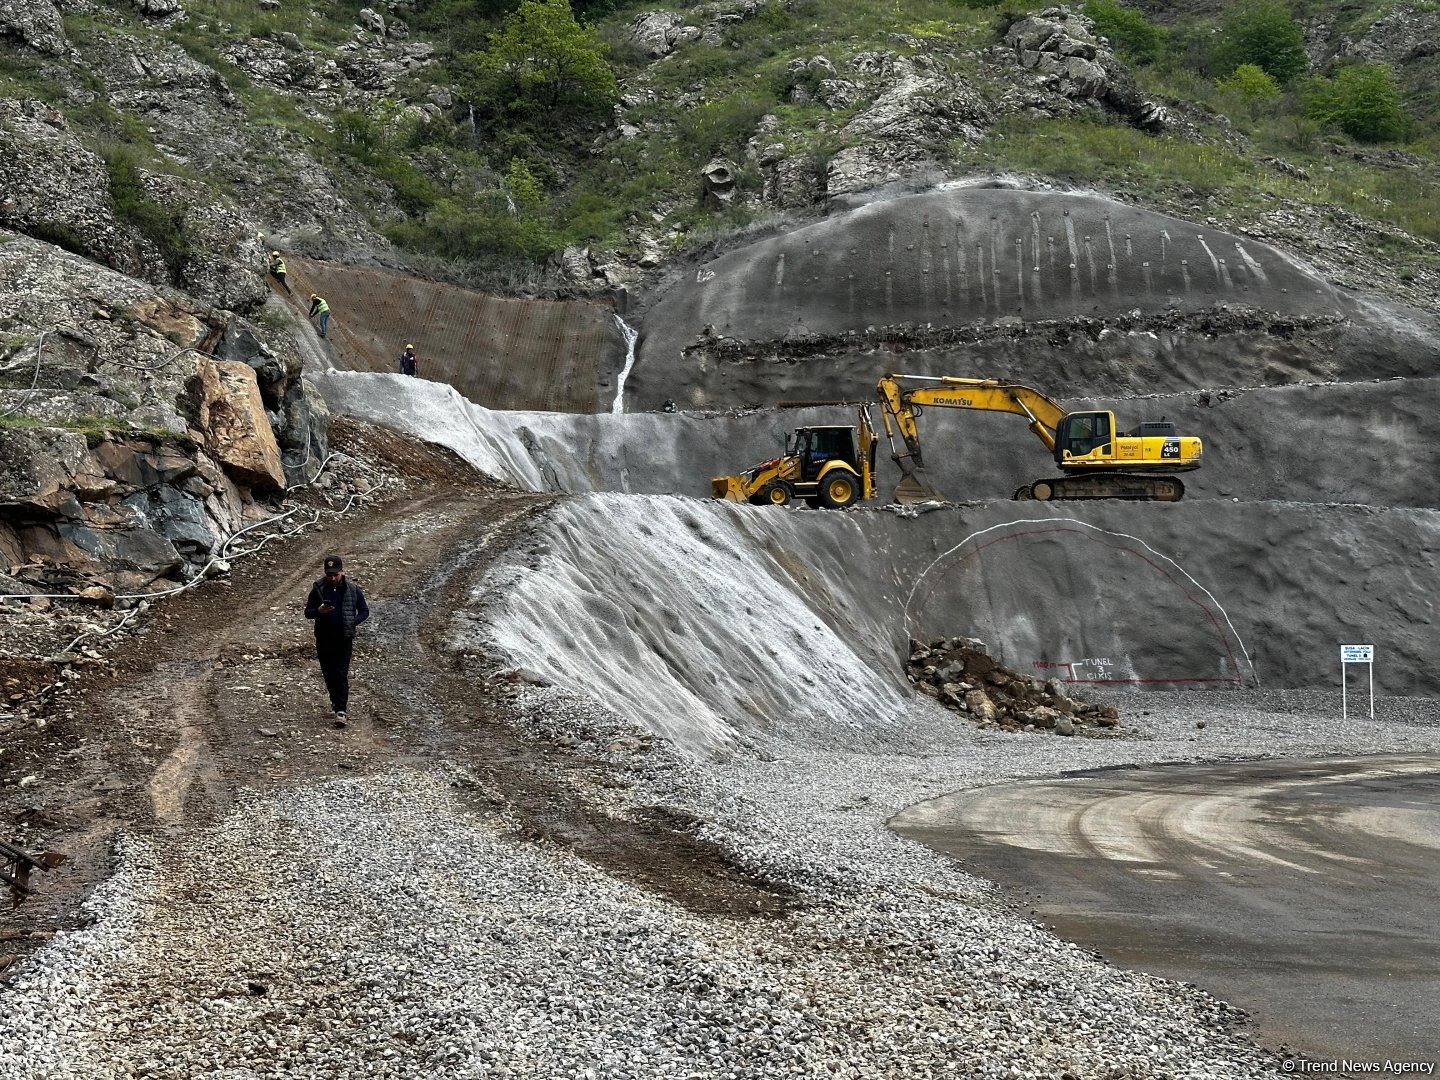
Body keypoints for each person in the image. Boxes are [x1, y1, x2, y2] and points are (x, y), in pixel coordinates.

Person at [303, 554, 369, 720]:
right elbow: (308, 613)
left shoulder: (353, 590)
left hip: (344, 638)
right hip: (324, 638)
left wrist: (352, 622)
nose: (332, 578)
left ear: (342, 572)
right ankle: (335, 703)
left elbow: (364, 611)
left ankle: (341, 710)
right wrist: (319, 611)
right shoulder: (318, 588)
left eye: (335, 574)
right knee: (328, 672)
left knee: (341, 673)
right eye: (329, 575)